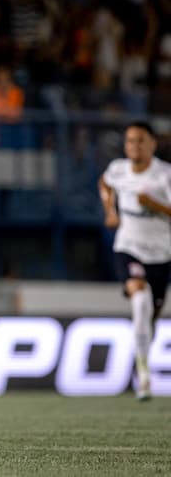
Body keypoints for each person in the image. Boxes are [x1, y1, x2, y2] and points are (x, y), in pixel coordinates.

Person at [98, 121, 171, 401]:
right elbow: (104, 182)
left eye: (140, 141)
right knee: (139, 298)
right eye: (129, 141)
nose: (134, 146)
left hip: (161, 254)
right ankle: (144, 377)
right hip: (129, 247)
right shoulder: (118, 169)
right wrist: (110, 210)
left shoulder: (164, 175)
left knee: (149, 317)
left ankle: (141, 357)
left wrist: (155, 205)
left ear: (153, 144)